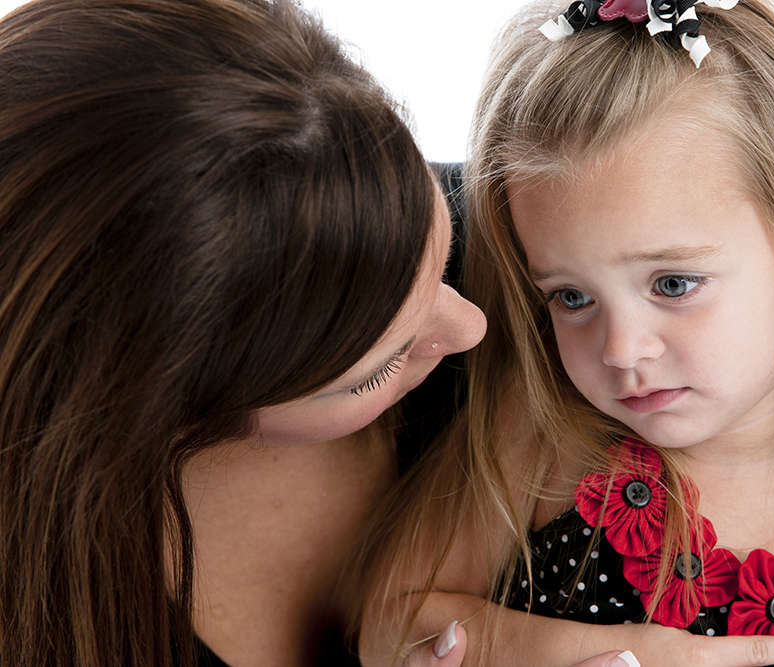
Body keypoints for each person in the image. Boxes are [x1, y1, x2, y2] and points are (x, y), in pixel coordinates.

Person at [361, 0, 774, 665]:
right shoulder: (546, 445)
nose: (620, 348)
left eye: (672, 284)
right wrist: (622, 653)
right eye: (571, 296)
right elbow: (387, 621)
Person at [0, 0, 497, 665]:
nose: (472, 325)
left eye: (443, 245)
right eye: (378, 367)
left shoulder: (547, 256)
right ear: (156, 410)